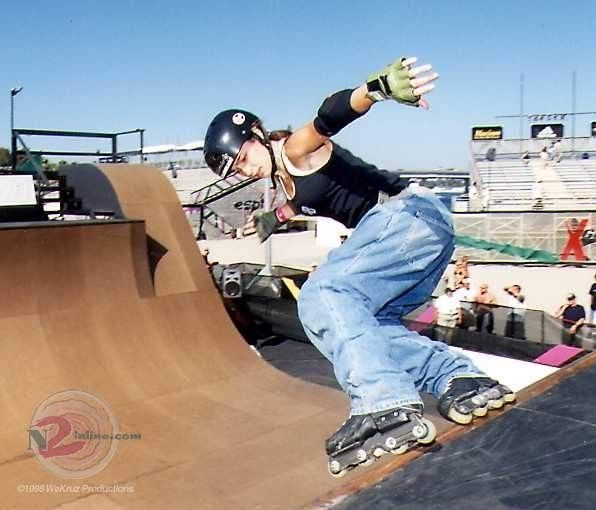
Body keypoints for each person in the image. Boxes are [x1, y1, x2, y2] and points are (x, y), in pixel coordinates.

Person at [203, 56, 515, 474]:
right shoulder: (286, 178)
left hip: (406, 218)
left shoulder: (293, 148)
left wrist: (372, 90)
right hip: (420, 235)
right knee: (371, 324)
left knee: (323, 292)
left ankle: (380, 400)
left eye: (243, 157)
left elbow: (326, 119)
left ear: (257, 134)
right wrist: (267, 221)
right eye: (237, 170)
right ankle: (458, 378)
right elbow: (300, 203)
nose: (246, 169)